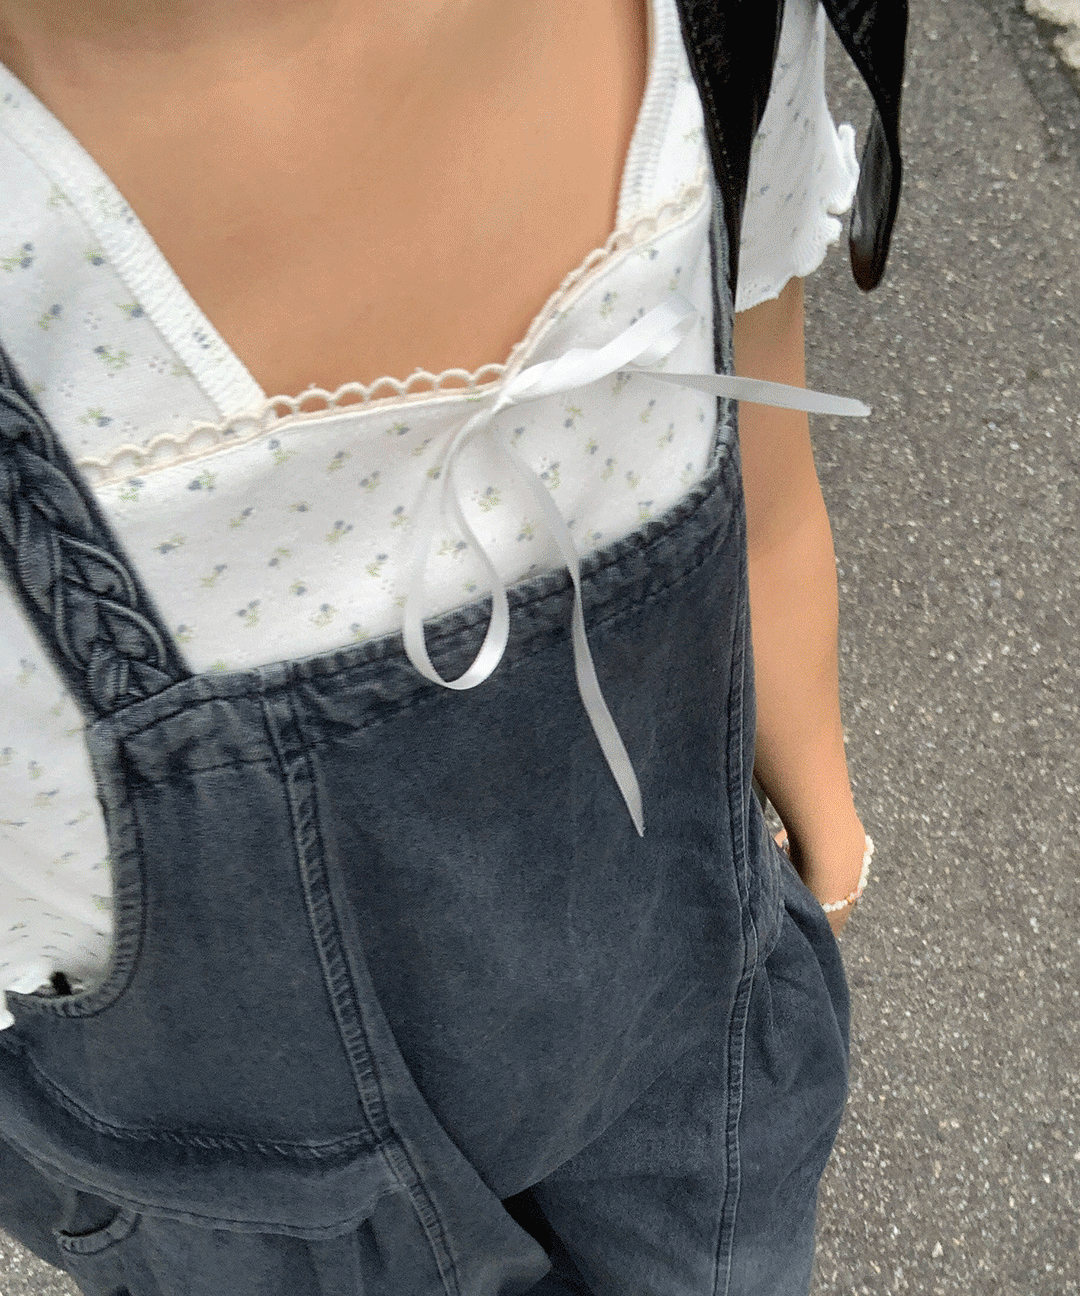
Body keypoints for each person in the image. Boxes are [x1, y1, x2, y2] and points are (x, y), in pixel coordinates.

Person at [0, 1, 905, 1293]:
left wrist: (815, 775)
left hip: (685, 1042)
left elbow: (765, 466)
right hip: (251, 1212)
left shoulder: (708, 29)